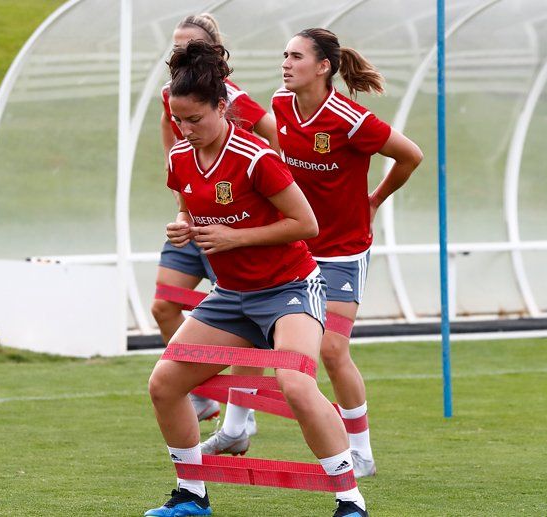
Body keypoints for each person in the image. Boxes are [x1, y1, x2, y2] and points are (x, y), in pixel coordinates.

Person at [144, 40, 369, 517]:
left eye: (195, 119)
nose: (186, 130)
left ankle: (350, 502)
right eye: (178, 120)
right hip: (231, 296)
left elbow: (307, 226)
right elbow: (190, 207)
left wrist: (233, 238)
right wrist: (183, 228)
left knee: (296, 383)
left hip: (290, 288)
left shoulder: (256, 156)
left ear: (222, 106)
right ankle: (191, 496)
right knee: (164, 383)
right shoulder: (181, 157)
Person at [202, 28, 423, 480]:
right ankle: (235, 428)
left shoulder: (351, 119)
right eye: (284, 55)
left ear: (323, 67)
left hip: (342, 251)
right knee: (256, 339)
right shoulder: (280, 105)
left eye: (296, 56)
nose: (285, 63)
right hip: (295, 248)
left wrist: (374, 200)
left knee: (333, 349)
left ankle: (360, 453)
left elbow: (410, 156)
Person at [152, 13, 274, 423]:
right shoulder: (170, 95)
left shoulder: (231, 97)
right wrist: (183, 208)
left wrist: (266, 182)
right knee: (163, 305)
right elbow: (173, 153)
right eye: (175, 44)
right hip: (194, 220)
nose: (179, 51)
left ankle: (241, 413)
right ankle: (201, 395)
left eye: (187, 44)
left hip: (234, 223)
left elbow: (271, 133)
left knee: (245, 317)